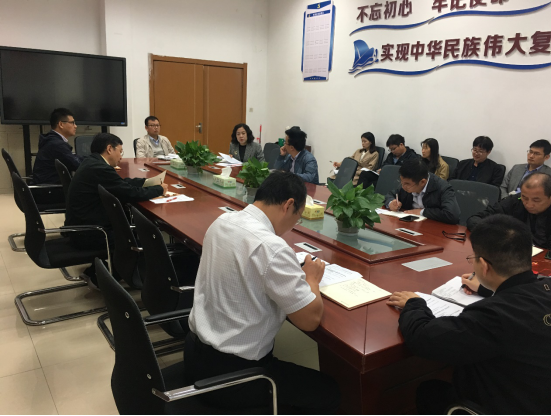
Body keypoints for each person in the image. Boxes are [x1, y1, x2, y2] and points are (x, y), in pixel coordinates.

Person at [184, 171, 340, 414]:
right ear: (288, 205)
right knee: (331, 392)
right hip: (233, 377)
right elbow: (309, 320)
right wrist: (311, 279)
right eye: (298, 217)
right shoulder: (271, 247)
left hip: (193, 355)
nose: (294, 225)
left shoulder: (222, 222)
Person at [387, 214, 551, 415]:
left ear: (484, 266)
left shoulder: (493, 316)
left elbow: (423, 338)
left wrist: (414, 304)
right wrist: (488, 288)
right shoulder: (549, 286)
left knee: (429, 391)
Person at [65, 133, 168, 286]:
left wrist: (146, 182)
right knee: (139, 240)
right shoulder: (100, 168)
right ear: (109, 149)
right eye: (120, 151)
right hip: (90, 233)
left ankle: (101, 272)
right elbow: (129, 193)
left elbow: (120, 183)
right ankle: (107, 278)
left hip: (81, 226)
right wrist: (159, 190)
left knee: (133, 230)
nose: (121, 156)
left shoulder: (92, 162)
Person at [384, 159, 461, 225]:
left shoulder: (442, 188)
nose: (403, 186)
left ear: (422, 182)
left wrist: (422, 212)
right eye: (401, 182)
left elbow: (452, 215)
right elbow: (390, 194)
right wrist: (391, 202)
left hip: (432, 229)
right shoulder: (406, 184)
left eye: (407, 184)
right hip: (408, 224)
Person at [32, 108, 84, 203]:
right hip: (50, 192)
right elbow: (77, 165)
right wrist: (96, 161)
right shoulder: (57, 144)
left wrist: (91, 159)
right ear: (61, 124)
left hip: (45, 189)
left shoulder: (52, 140)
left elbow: (73, 158)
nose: (75, 126)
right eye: (72, 123)